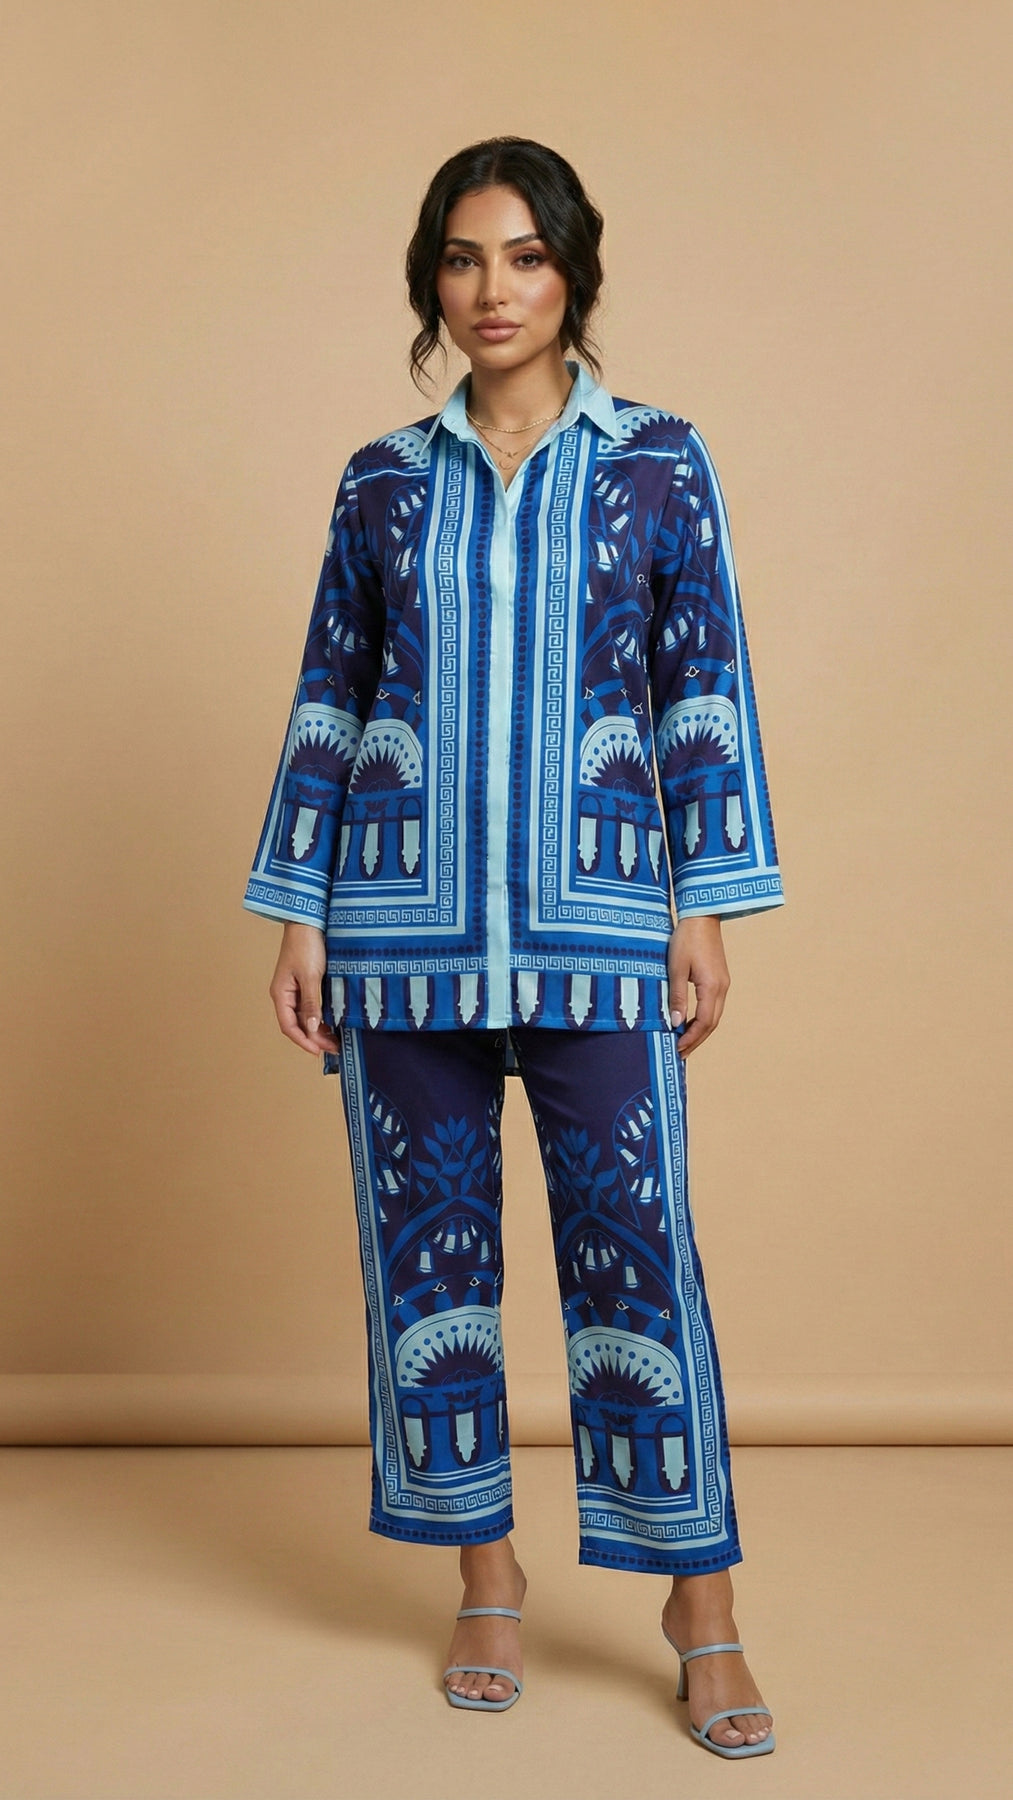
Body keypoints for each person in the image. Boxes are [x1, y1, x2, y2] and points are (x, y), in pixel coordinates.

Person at [244, 137, 784, 1759]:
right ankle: (485, 1577)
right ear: (432, 280)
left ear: (572, 274)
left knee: (638, 1253)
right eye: (465, 259)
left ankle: (700, 1606)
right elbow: (334, 692)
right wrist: (297, 910)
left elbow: (699, 685)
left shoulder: (657, 462)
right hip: (396, 937)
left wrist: (702, 907)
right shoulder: (380, 482)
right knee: (430, 1271)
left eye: (526, 257)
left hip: (597, 934)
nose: (494, 290)